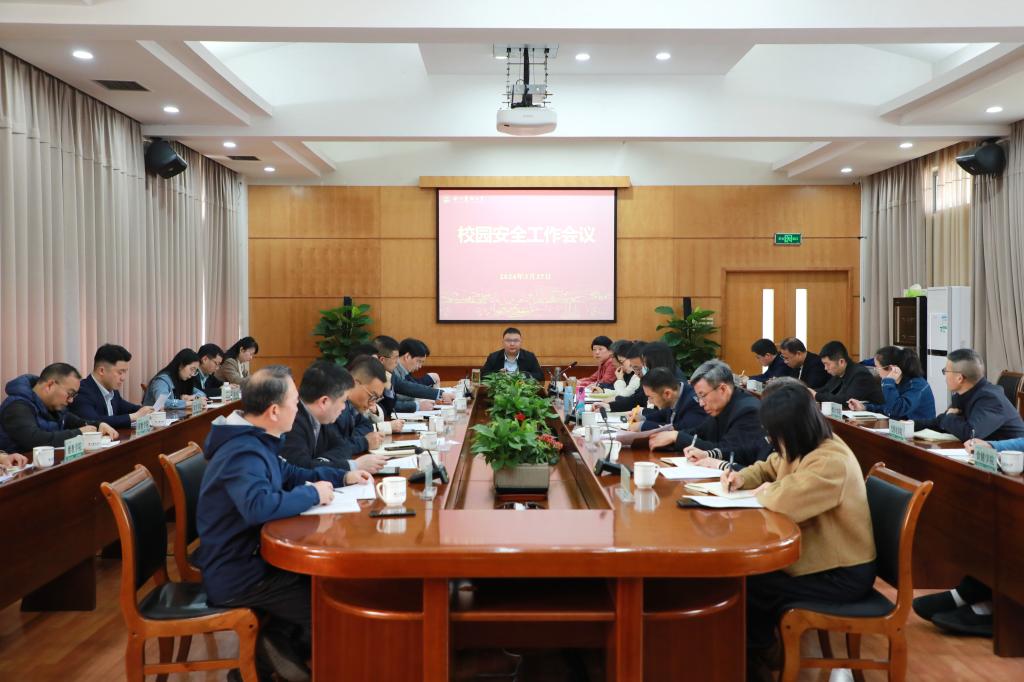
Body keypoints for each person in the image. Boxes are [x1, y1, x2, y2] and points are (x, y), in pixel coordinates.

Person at [195, 365, 371, 681]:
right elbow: (258, 506)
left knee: (326, 587)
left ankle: (266, 659)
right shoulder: (242, 452)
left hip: (255, 559)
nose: (298, 408)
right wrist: (312, 494)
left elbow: (291, 474)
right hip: (238, 573)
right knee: (329, 606)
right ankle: (264, 664)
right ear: (274, 411)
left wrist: (342, 476)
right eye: (293, 402)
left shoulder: (256, 439)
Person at [721, 378, 876, 679]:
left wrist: (766, 490)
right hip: (820, 558)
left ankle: (755, 658)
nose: (770, 439)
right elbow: (769, 467)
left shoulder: (831, 461)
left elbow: (784, 502)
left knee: (751, 583)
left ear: (792, 429)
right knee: (750, 577)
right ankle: (760, 650)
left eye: (773, 433)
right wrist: (742, 478)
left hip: (842, 573)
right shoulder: (803, 445)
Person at [910, 349, 1024, 638]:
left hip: (1009, 472)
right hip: (996, 467)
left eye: (946, 371)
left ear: (960, 376)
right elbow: (949, 423)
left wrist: (955, 423)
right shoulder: (966, 395)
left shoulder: (989, 397)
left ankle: (988, 604)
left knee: (1000, 524)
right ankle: (971, 592)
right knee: (984, 525)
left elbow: (971, 431)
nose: (944, 376)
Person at [648, 359, 771, 469]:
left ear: (722, 389)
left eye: (703, 395)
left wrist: (677, 437)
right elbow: (699, 432)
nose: (701, 403)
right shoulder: (721, 405)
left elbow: (730, 451)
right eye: (698, 397)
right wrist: (671, 436)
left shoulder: (748, 411)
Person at [0, 363, 118, 452]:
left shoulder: (53, 407)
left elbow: (76, 422)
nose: (71, 400)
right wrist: (78, 434)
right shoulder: (17, 406)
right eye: (70, 394)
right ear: (50, 385)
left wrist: (99, 425)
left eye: (74, 396)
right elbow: (34, 440)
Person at [914, 348, 1024, 442]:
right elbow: (941, 422)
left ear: (959, 378)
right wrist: (910, 425)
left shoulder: (990, 399)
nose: (945, 376)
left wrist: (950, 417)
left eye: (946, 371)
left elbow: (970, 434)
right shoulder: (963, 394)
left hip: (1009, 457)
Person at [323, 355, 389, 473]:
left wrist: (351, 439)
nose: (372, 403)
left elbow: (366, 425)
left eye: (376, 398)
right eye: (372, 396)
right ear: (354, 383)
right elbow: (336, 450)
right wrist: (364, 442)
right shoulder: (334, 408)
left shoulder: (352, 406)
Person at [70, 344, 153, 428]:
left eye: (125, 372)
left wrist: (150, 410)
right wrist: (134, 416)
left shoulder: (111, 389)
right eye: (120, 372)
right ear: (102, 371)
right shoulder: (82, 391)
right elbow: (94, 421)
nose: (123, 378)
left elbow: (127, 408)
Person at [847, 346, 935, 421]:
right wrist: (864, 407)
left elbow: (896, 410)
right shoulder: (896, 382)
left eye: (877, 367)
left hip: (920, 433)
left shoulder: (917, 385)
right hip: (902, 429)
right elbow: (887, 407)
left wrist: (888, 381)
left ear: (891, 368)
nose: (876, 371)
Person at [636, 367, 708, 438]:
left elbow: (678, 431)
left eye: (651, 397)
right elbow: (663, 414)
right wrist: (643, 418)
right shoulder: (676, 393)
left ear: (667, 394)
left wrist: (642, 426)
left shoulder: (694, 403)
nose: (650, 402)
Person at [814, 341, 884, 405]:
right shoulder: (838, 374)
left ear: (841, 362)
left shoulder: (860, 374)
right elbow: (825, 389)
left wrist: (817, 396)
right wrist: (809, 393)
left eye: (827, 364)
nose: (825, 368)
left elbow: (847, 400)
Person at [392, 338, 451, 406]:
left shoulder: (402, 370)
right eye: (419, 361)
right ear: (407, 356)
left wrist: (438, 394)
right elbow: (401, 395)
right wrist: (419, 405)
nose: (420, 366)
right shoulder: (392, 370)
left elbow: (412, 387)